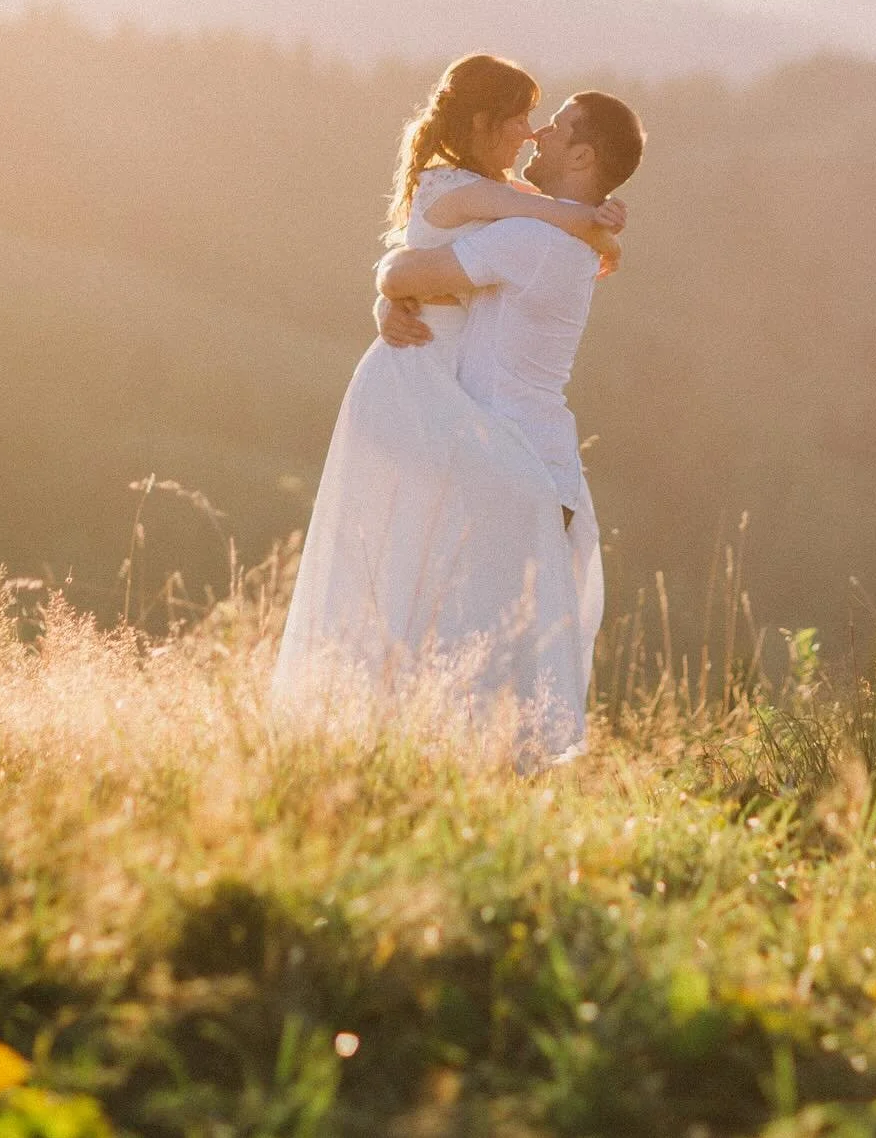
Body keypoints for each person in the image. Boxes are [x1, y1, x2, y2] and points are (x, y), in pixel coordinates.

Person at [270, 55, 628, 758]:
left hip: (451, 394)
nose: (532, 135)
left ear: (582, 153)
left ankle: (430, 738)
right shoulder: (487, 197)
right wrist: (592, 220)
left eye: (545, 122)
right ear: (480, 122)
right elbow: (418, 260)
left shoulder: (507, 206)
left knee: (420, 571)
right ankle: (384, 734)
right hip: (419, 384)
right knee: (392, 564)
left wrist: (597, 225)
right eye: (523, 118)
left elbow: (424, 258)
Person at [374, 88, 646, 755]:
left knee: (480, 664)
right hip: (524, 468)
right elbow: (437, 292)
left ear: (581, 153)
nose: (539, 134)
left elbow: (407, 269)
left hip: (514, 470)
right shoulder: (555, 235)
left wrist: (388, 286)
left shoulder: (530, 238)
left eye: (558, 127)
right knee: (492, 665)